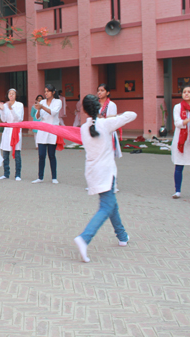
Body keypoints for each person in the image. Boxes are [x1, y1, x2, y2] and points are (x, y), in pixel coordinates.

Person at [73, 94, 135, 263]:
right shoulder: (106, 124)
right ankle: (84, 238)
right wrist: (112, 117)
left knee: (111, 204)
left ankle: (122, 236)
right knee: (106, 206)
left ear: (84, 110)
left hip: (93, 171)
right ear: (99, 108)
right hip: (106, 172)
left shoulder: (84, 128)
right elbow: (132, 115)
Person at [32, 84, 62, 184]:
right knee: (41, 155)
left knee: (51, 155)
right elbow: (38, 117)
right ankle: (40, 177)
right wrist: (38, 109)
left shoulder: (58, 102)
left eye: (48, 91)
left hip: (52, 131)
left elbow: (53, 112)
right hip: (42, 130)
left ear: (53, 92)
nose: (46, 93)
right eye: (45, 91)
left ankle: (54, 177)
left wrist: (42, 107)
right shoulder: (42, 102)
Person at [0, 88, 24, 181]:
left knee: (17, 154)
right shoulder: (5, 105)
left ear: (16, 95)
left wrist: (11, 109)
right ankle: (6, 174)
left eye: (13, 93)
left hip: (16, 130)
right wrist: (1, 110)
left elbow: (19, 119)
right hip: (7, 130)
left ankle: (18, 174)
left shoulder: (20, 105)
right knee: (5, 154)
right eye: (9, 94)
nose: (11, 95)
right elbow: (4, 119)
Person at [97, 83, 122, 159]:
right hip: (98, 132)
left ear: (107, 93)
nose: (99, 92)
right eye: (98, 90)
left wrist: (101, 117)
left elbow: (112, 120)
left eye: (102, 90)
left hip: (108, 133)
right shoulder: (95, 104)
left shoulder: (111, 105)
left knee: (108, 157)